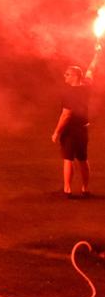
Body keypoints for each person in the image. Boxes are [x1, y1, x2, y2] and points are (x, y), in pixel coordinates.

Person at [53, 41, 100, 197]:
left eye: (67, 74)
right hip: (84, 129)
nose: (64, 76)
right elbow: (91, 70)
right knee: (83, 158)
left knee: (68, 158)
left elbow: (66, 115)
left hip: (71, 130)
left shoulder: (69, 93)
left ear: (74, 76)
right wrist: (97, 55)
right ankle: (85, 189)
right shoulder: (86, 85)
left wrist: (56, 132)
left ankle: (67, 189)